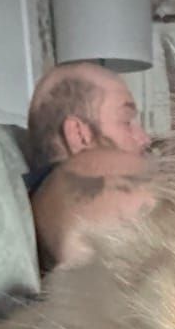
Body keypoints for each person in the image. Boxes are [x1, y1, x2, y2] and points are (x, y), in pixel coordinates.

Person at [24, 62, 155, 269]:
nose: (144, 138)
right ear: (79, 135)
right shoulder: (69, 183)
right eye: (126, 121)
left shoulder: (39, 192)